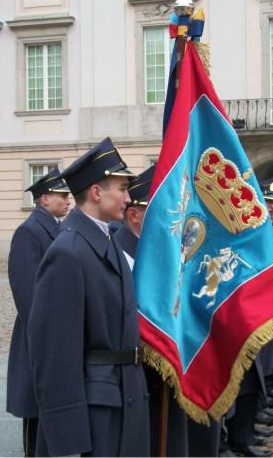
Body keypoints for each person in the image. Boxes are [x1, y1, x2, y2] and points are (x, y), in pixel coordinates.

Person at [27, 138, 150, 457]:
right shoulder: (68, 253)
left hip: (124, 401)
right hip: (95, 416)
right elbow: (54, 357)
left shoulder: (105, 241)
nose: (127, 197)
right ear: (97, 192)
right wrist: (67, 444)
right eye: (121, 189)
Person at [116, 165, 189, 457]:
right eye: (162, 209)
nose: (174, 216)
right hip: (138, 373)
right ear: (135, 215)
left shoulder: (162, 251)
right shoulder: (119, 252)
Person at [6, 169, 70, 457]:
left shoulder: (58, 229)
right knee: (36, 418)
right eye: (62, 195)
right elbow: (27, 294)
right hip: (37, 336)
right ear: (44, 199)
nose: (68, 200)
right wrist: (46, 334)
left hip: (54, 334)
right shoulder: (29, 231)